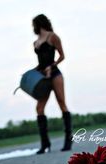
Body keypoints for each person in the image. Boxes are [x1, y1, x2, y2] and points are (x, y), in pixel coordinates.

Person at [32, 14, 73, 154]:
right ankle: (45, 144)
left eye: (34, 24)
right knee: (39, 108)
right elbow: (40, 62)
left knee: (62, 102)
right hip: (43, 77)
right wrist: (33, 72)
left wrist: (52, 65)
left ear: (38, 24)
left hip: (55, 74)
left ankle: (68, 139)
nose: (33, 28)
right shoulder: (36, 42)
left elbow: (62, 55)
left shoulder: (53, 37)